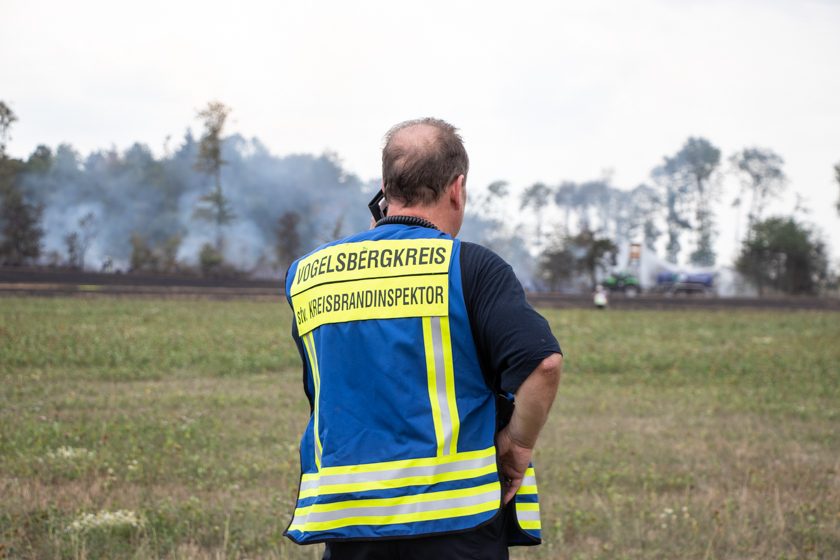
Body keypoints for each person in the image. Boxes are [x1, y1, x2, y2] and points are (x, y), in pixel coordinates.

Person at [283, 118, 562, 559]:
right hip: (457, 523)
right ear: (458, 187)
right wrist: (518, 445)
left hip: (348, 520)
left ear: (385, 189)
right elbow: (543, 363)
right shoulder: (470, 267)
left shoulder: (309, 274)